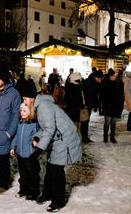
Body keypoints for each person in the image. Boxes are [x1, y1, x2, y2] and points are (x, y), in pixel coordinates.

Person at [22, 81, 82, 213]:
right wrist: (37, 137)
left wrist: (38, 152)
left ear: (32, 98)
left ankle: (58, 201)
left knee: (56, 170)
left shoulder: (44, 107)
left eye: (25, 99)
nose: (24, 102)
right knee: (50, 166)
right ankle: (47, 194)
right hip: (57, 138)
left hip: (64, 139)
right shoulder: (40, 106)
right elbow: (45, 128)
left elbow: (50, 129)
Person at [10, 103, 40, 201]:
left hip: (29, 154)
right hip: (20, 154)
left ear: (29, 112)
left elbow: (37, 135)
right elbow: (16, 137)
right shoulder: (19, 123)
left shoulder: (33, 124)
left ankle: (33, 192)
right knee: (22, 174)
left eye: (24, 111)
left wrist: (35, 140)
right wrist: (12, 147)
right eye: (21, 111)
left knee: (31, 174)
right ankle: (23, 190)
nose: (22, 113)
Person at [100, 68, 124, 143]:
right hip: (107, 106)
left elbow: (120, 95)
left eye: (115, 76)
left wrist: (120, 106)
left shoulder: (118, 83)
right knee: (107, 122)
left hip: (115, 106)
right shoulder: (105, 84)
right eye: (113, 76)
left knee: (113, 123)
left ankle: (112, 137)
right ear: (110, 76)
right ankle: (105, 137)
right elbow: (102, 96)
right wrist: (105, 105)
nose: (115, 77)